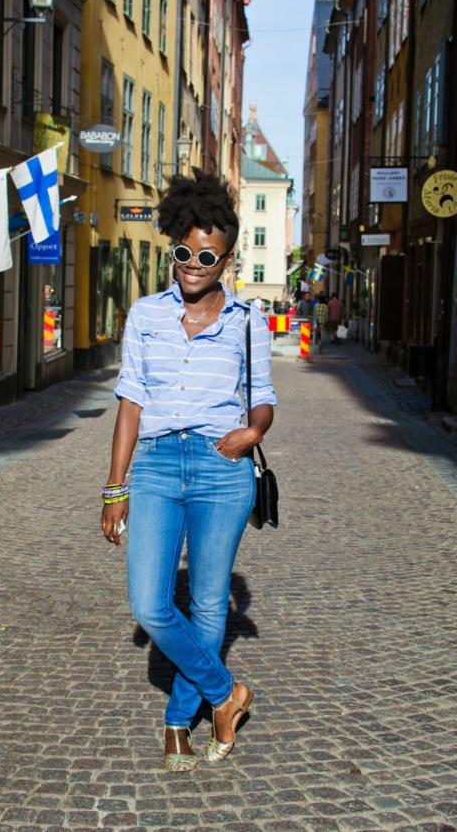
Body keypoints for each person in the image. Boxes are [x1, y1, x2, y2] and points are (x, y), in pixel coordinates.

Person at [101, 171, 276, 772]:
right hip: (154, 467)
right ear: (172, 245)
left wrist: (252, 433)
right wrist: (115, 486)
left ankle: (179, 720)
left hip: (221, 468)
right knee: (150, 605)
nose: (192, 264)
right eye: (183, 251)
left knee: (207, 603)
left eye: (207, 255)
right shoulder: (146, 315)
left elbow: (263, 398)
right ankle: (227, 694)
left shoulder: (250, 321)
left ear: (227, 259)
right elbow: (130, 401)